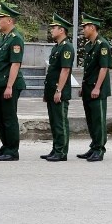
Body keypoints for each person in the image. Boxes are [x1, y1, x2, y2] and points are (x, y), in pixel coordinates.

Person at [0, 2, 26, 162]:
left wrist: (9, 86)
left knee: (9, 117)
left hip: (10, 85)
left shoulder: (15, 39)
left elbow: (15, 64)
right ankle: (6, 147)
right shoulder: (5, 38)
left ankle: (12, 150)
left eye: (1, 18)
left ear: (9, 20)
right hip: (1, 84)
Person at [77, 13, 112, 162]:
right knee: (91, 120)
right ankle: (94, 146)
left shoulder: (102, 44)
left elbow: (104, 68)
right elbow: (88, 69)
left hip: (97, 89)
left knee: (98, 119)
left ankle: (100, 149)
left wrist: (97, 87)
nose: (83, 30)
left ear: (92, 27)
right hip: (88, 88)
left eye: (84, 27)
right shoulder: (89, 45)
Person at [41, 14, 74, 162]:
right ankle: (56, 149)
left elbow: (65, 70)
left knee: (60, 122)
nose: (51, 31)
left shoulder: (67, 47)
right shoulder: (57, 47)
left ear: (61, 30)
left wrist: (59, 90)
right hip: (52, 90)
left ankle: (62, 152)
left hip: (59, 91)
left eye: (54, 28)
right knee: (54, 122)